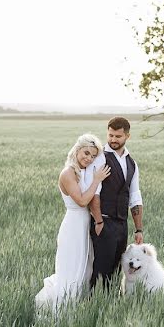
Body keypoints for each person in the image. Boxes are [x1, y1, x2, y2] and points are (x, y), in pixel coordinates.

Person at [35, 133, 111, 311]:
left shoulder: (83, 172)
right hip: (73, 226)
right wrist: (97, 179)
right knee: (71, 271)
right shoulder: (68, 173)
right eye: (86, 153)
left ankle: (76, 311)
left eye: (93, 156)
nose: (89, 158)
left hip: (84, 226)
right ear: (77, 150)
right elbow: (83, 201)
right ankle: (61, 313)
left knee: (84, 270)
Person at [88, 116, 143, 292]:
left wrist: (138, 229)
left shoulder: (132, 163)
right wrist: (98, 222)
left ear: (127, 136)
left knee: (116, 270)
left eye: (117, 136)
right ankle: (93, 304)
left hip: (121, 224)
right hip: (103, 221)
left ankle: (109, 306)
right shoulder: (100, 158)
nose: (113, 139)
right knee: (100, 270)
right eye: (110, 135)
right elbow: (94, 193)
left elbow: (135, 196)